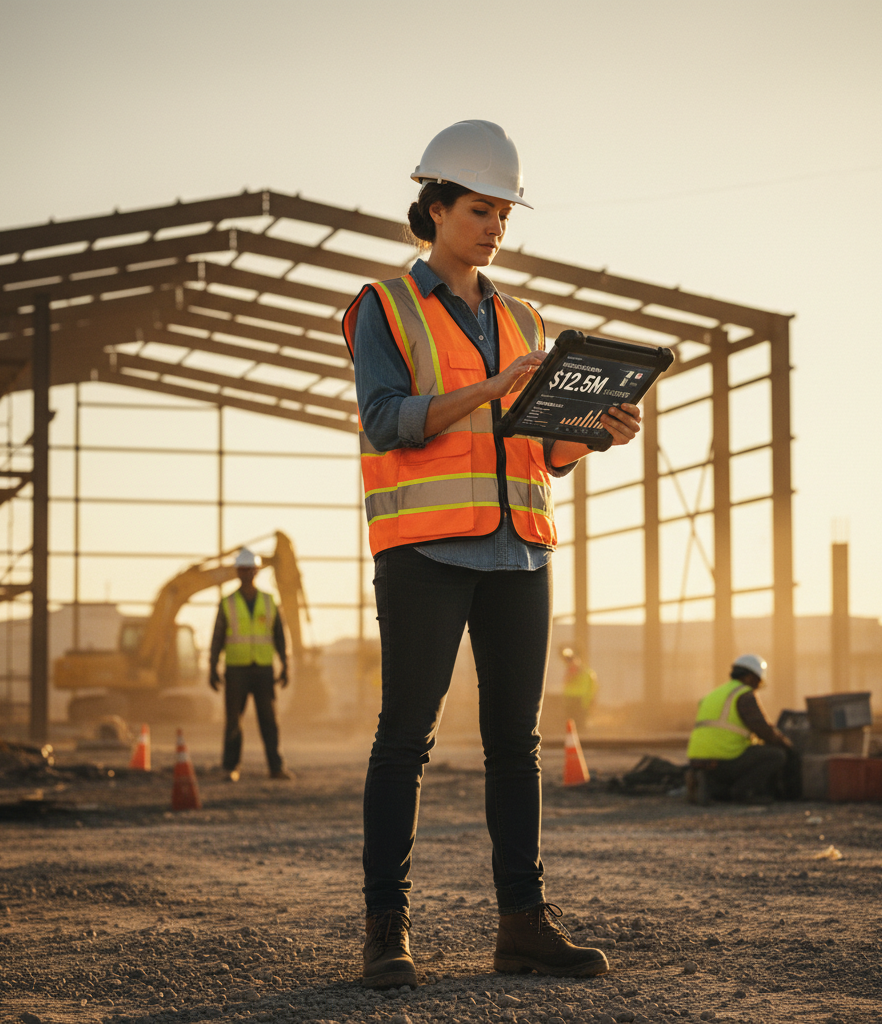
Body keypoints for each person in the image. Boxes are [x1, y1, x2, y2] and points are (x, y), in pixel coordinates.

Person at [342, 120, 643, 989]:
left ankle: (523, 925)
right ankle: (385, 930)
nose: (495, 227)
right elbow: (387, 418)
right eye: (480, 209)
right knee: (405, 740)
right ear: (434, 208)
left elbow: (541, 450)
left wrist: (596, 434)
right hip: (427, 550)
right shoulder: (384, 307)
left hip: (519, 552)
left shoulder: (525, 318)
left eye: (504, 213)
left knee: (517, 744)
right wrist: (490, 387)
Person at [209, 547, 294, 782]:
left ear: (256, 572)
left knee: (269, 720)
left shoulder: (269, 601)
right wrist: (212, 666)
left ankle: (276, 767)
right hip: (236, 670)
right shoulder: (228, 603)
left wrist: (285, 664)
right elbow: (217, 637)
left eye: (250, 570)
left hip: (263, 670)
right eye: (243, 570)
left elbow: (279, 636)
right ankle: (230, 767)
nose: (246, 574)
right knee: (233, 722)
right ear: (238, 572)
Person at [686, 653, 793, 804]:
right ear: (750, 677)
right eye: (757, 681)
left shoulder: (715, 693)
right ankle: (742, 792)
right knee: (776, 755)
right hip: (724, 758)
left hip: (697, 759)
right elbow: (763, 731)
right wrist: (787, 744)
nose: (756, 686)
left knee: (751, 752)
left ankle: (711, 785)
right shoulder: (744, 695)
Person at [561, 647, 598, 732]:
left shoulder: (588, 673)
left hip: (581, 701)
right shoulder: (570, 671)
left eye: (571, 659)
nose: (569, 662)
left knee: (580, 723)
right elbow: (565, 684)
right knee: (570, 723)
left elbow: (593, 689)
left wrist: (592, 701)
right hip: (570, 700)